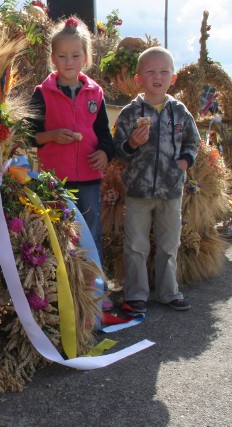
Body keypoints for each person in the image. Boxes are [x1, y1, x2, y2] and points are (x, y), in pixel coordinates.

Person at [27, 16, 115, 310]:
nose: (69, 61)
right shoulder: (42, 94)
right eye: (62, 56)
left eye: (75, 55)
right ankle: (59, 297)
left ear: (86, 58)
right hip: (56, 181)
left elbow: (104, 134)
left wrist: (105, 153)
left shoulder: (95, 93)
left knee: (90, 236)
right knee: (59, 237)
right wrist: (51, 136)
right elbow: (29, 136)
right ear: (52, 58)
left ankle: (95, 296)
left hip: (89, 179)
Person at [113, 46, 200, 313]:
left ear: (172, 78)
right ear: (139, 79)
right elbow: (118, 150)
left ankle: (168, 291)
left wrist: (184, 162)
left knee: (168, 243)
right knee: (136, 244)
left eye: (164, 71)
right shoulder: (130, 112)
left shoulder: (179, 111)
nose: (157, 76)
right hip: (138, 190)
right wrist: (131, 144)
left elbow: (192, 141)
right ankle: (136, 294)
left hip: (171, 190)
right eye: (150, 71)